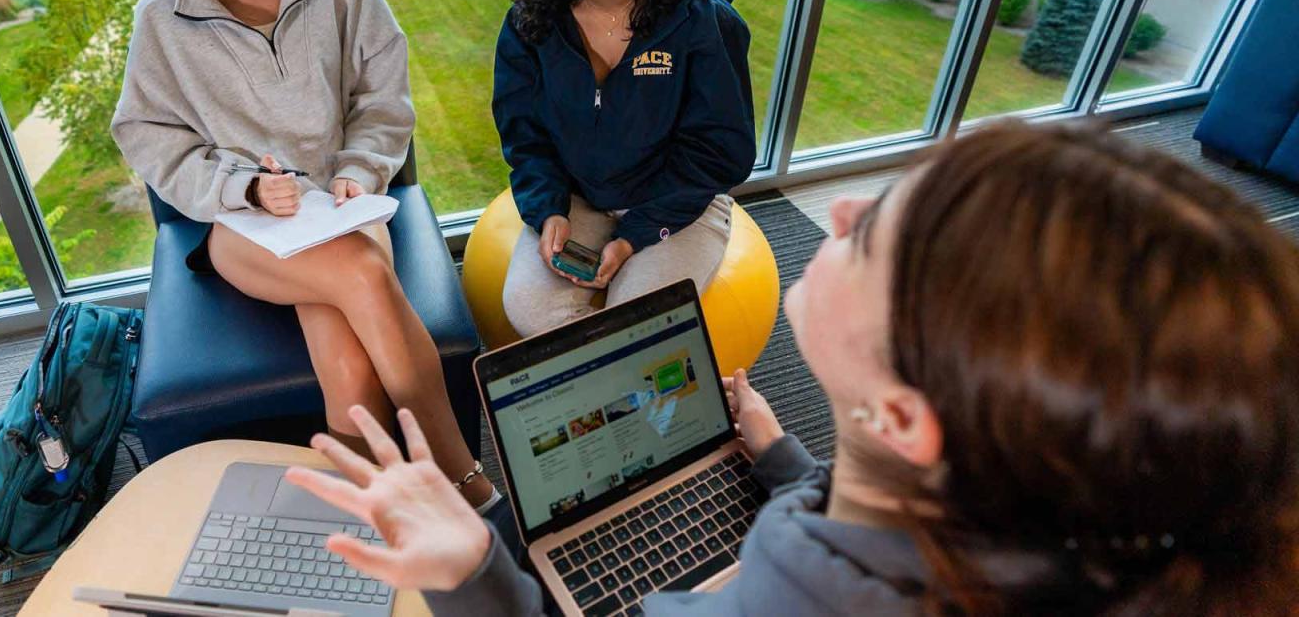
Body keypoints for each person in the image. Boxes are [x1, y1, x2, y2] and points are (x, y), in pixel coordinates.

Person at [287, 120, 1299, 615]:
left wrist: (472, 572)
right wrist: (789, 471)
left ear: (903, 421)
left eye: (874, 239)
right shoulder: (1100, 542)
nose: (842, 212)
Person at [110, 0, 498, 512]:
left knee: (348, 364)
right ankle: (463, 482)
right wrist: (245, 188)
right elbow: (147, 134)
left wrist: (358, 167)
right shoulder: (162, 19)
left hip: (344, 205)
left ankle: (374, 520)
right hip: (245, 230)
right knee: (364, 276)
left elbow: (385, 96)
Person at [493, 0, 756, 337]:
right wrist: (548, 209)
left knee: (632, 327)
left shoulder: (703, 21)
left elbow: (720, 151)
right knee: (530, 306)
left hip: (679, 201)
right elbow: (526, 139)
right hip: (581, 197)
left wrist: (635, 235)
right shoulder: (531, 25)